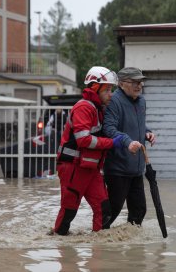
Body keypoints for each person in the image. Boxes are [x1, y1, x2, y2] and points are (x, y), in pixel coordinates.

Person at [52, 66, 139, 235]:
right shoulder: (84, 107)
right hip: (74, 167)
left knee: (104, 210)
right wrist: (113, 142)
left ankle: (99, 252)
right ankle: (61, 250)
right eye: (107, 90)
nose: (111, 94)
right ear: (94, 88)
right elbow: (83, 140)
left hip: (90, 169)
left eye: (111, 90)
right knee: (69, 211)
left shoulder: (98, 108)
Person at [103, 67, 156, 227]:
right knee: (112, 212)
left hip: (136, 168)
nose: (138, 85)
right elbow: (109, 129)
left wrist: (147, 132)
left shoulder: (141, 101)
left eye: (140, 82)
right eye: (134, 82)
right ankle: (98, 245)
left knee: (139, 211)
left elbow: (138, 125)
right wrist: (127, 141)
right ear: (121, 83)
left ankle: (132, 248)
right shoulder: (114, 101)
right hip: (118, 169)